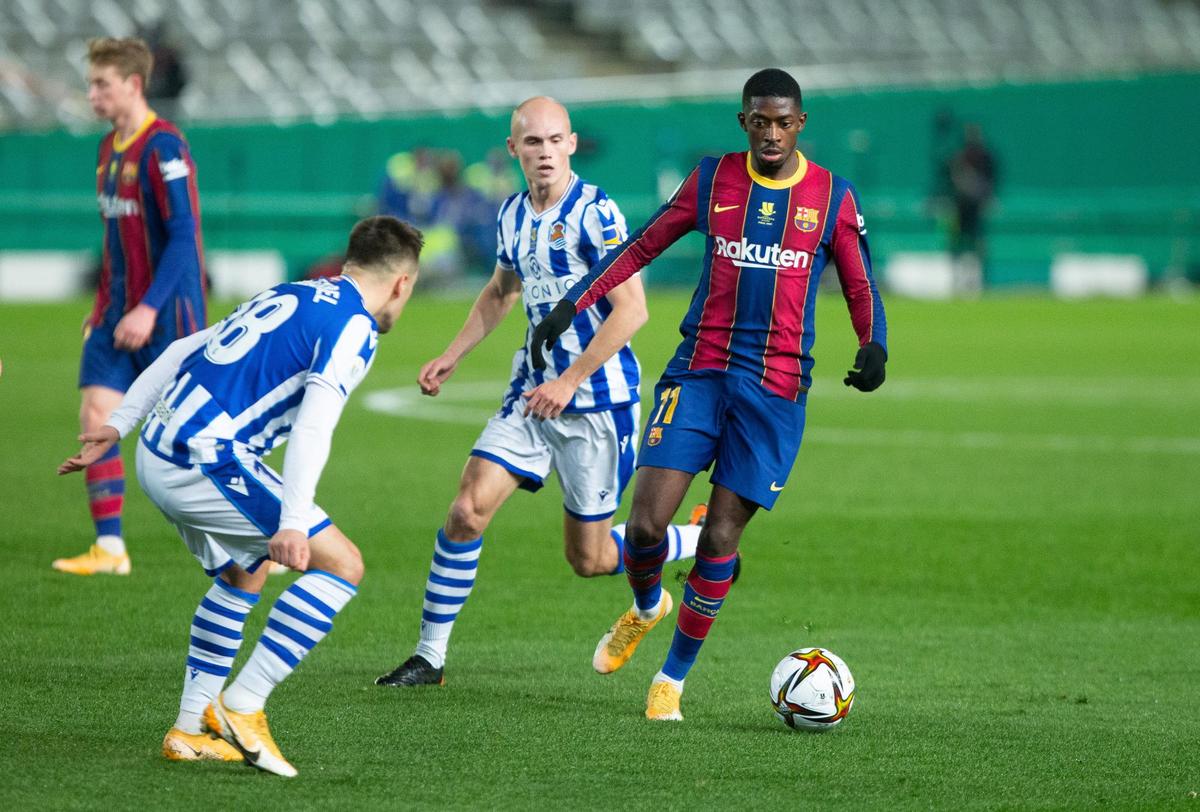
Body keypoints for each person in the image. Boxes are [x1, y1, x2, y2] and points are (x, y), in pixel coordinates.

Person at [531, 69, 888, 721]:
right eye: (760, 120)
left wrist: (873, 345)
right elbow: (642, 245)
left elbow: (860, 285)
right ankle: (645, 606)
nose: (772, 132)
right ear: (744, 122)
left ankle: (670, 681)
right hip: (698, 371)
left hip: (775, 389)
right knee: (643, 525)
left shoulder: (833, 195)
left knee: (722, 536)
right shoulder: (711, 179)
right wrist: (569, 306)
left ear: (800, 123)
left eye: (784, 121)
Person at [58, 216, 423, 776]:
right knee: (343, 565)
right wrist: (294, 522)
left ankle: (188, 730)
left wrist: (120, 421)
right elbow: (313, 429)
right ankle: (243, 703)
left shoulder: (291, 291)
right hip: (202, 458)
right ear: (402, 283)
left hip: (159, 444)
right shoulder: (356, 327)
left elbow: (185, 346)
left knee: (244, 571)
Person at [375, 97, 705, 689]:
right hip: (531, 395)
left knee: (592, 559)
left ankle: (692, 541)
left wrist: (571, 379)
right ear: (514, 150)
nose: (545, 152)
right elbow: (501, 291)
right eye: (533, 143)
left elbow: (632, 311)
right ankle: (430, 656)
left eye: (555, 140)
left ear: (572, 144)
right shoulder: (510, 214)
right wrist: (453, 354)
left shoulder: (597, 213)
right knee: (466, 509)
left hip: (596, 404)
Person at [53, 37, 207, 576]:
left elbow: (184, 238)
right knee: (97, 413)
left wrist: (147, 308)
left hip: (168, 316)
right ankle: (111, 548)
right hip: (115, 315)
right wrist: (103, 308)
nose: (92, 94)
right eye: (91, 83)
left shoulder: (165, 147)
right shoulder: (105, 150)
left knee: (200, 433)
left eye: (102, 84)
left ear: (133, 85)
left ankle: (266, 530)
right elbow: (115, 241)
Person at [949, 123, 998, 293]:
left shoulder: (985, 157)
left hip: (976, 207)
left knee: (978, 243)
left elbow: (991, 180)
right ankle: (957, 279)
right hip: (961, 207)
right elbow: (954, 179)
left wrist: (984, 196)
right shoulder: (960, 157)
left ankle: (979, 280)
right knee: (958, 243)